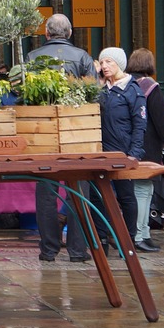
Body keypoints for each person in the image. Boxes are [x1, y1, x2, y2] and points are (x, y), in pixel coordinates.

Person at [27, 14, 95, 263]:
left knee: (46, 192)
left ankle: (49, 249)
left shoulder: (33, 58)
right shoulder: (83, 57)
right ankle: (78, 250)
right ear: (69, 33)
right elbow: (95, 96)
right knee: (78, 192)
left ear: (47, 34)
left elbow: (26, 97)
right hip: (78, 133)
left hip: (44, 134)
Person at [126, 48, 164, 253]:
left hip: (125, 146)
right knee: (143, 189)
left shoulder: (124, 85)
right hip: (147, 147)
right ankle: (140, 235)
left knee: (138, 190)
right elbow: (163, 123)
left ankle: (143, 233)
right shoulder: (150, 87)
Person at [97, 46, 147, 248]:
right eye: (101, 62)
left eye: (109, 61)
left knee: (126, 195)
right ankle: (102, 236)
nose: (104, 66)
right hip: (101, 153)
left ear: (120, 63)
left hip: (123, 152)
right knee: (98, 195)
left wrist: (134, 154)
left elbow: (140, 125)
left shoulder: (133, 91)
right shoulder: (102, 90)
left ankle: (129, 238)